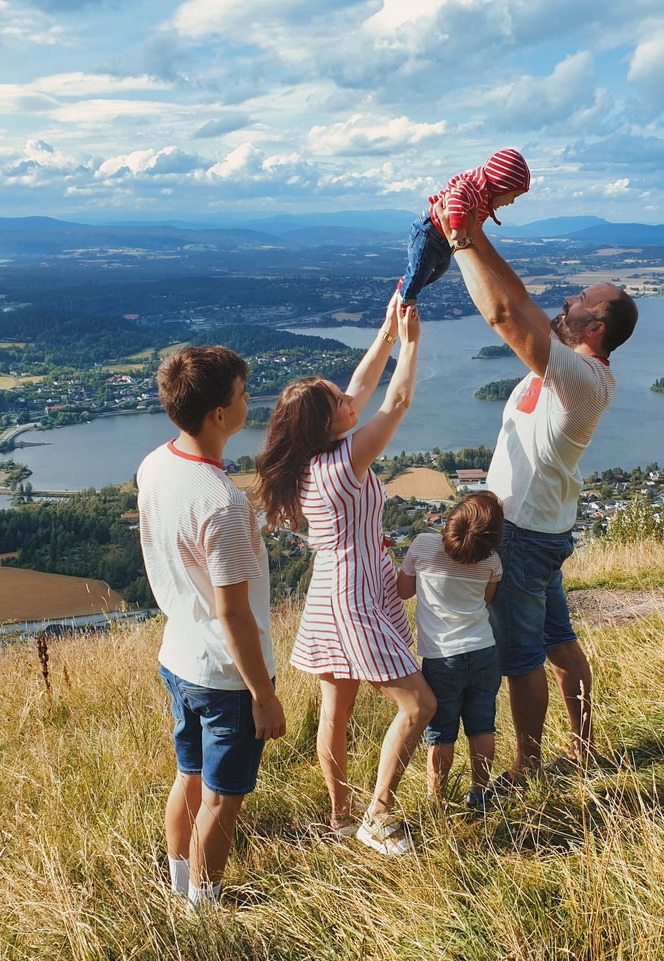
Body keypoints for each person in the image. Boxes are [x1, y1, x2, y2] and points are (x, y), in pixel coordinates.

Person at [445, 214, 638, 787]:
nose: (570, 297)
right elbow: (520, 299)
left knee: (522, 656)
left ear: (596, 326)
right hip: (541, 527)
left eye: (582, 298)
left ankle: (527, 770)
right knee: (559, 639)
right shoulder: (570, 360)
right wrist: (477, 232)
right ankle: (583, 748)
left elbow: (503, 314)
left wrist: (458, 239)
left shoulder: (582, 376)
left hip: (523, 535)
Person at [254, 296, 435, 855]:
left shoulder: (315, 458)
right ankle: (376, 817)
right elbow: (397, 400)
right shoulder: (344, 463)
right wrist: (410, 344)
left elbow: (360, 387)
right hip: (357, 597)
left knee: (337, 710)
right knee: (418, 706)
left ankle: (339, 816)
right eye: (338, 401)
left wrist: (383, 332)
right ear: (326, 423)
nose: (349, 398)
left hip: (333, 590)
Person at [136, 345, 285, 908]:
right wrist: (263, 695)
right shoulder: (222, 502)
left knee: (189, 778)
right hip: (227, 678)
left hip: (178, 657)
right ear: (219, 415)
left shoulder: (155, 464)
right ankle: (203, 908)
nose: (251, 402)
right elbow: (233, 611)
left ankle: (179, 891)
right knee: (223, 799)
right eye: (244, 394)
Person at [396, 491, 505, 808]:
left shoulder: (423, 545)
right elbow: (486, 600)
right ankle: (480, 794)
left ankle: (437, 799)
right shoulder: (491, 560)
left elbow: (403, 591)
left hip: (442, 659)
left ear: (453, 518)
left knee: (441, 734)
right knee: (482, 726)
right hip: (484, 651)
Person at [396, 148, 529, 308]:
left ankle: (409, 281)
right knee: (422, 268)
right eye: (513, 195)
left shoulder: (484, 198)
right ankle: (406, 301)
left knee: (440, 269)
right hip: (428, 231)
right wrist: (458, 232)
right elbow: (456, 198)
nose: (512, 202)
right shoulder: (475, 190)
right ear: (501, 186)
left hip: (440, 238)